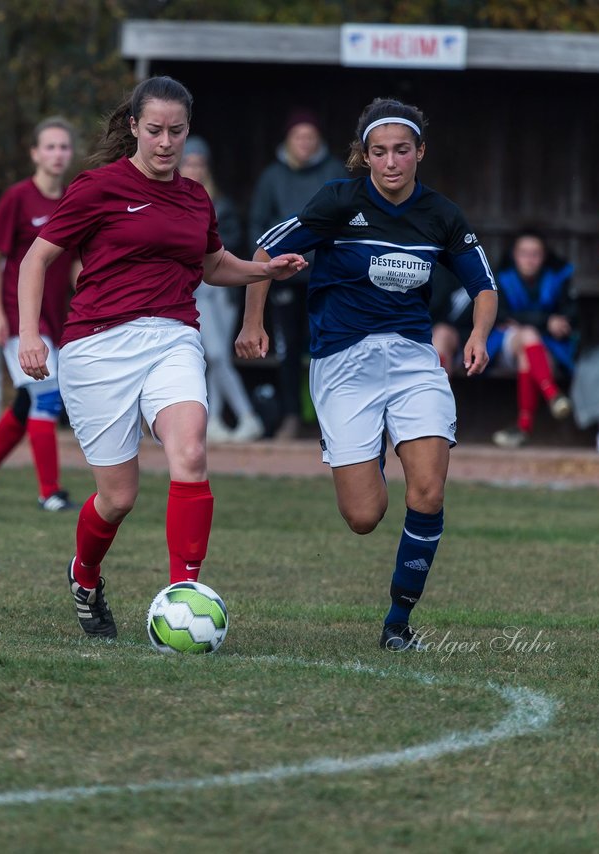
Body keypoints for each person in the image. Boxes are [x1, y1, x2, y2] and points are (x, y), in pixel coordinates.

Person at [16, 76, 307, 639]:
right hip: (97, 346)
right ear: (133, 127)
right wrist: (32, 334)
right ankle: (85, 573)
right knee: (118, 497)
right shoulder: (98, 187)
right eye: (154, 130)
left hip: (172, 335)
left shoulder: (195, 197)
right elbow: (36, 260)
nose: (166, 142)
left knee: (191, 451)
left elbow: (212, 265)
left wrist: (261, 271)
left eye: (176, 131)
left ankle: (185, 595)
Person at [239, 97, 498, 651]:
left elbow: (484, 285)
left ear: (419, 152)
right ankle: (372, 450)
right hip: (344, 364)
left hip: (412, 361)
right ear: (365, 155)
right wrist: (253, 322)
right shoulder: (337, 201)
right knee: (364, 515)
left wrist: (478, 335)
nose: (391, 162)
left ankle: (398, 622)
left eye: (402, 150)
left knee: (427, 490)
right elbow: (266, 248)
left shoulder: (442, 215)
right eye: (378, 152)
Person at [0, 117, 79, 511]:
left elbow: (77, 261)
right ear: (34, 153)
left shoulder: (73, 199)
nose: (57, 153)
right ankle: (50, 491)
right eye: (49, 146)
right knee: (46, 397)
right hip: (20, 316)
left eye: (64, 147)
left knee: (27, 403)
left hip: (56, 317)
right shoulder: (17, 198)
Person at [248, 108, 349, 439]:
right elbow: (258, 227)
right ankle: (291, 415)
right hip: (284, 280)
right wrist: (268, 266)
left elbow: (348, 220)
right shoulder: (272, 176)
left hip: (327, 278)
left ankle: (332, 419)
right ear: (288, 140)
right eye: (298, 137)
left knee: (331, 348)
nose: (304, 143)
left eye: (310, 137)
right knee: (288, 350)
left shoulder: (334, 172)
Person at [178, 136, 264, 443]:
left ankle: (247, 416)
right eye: (189, 162)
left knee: (216, 356)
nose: (194, 169)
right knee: (212, 358)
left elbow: (224, 248)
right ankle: (213, 420)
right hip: (193, 289)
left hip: (219, 292)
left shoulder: (221, 205)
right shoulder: (173, 199)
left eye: (199, 164)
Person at [487, 230, 577, 449]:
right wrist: (546, 322)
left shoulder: (557, 278)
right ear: (514, 255)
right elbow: (498, 315)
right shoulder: (500, 278)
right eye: (524, 253)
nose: (529, 259)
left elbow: (571, 315)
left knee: (528, 353)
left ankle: (523, 427)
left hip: (545, 350)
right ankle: (553, 394)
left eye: (535, 254)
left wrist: (561, 323)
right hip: (504, 346)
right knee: (528, 336)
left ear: (544, 256)